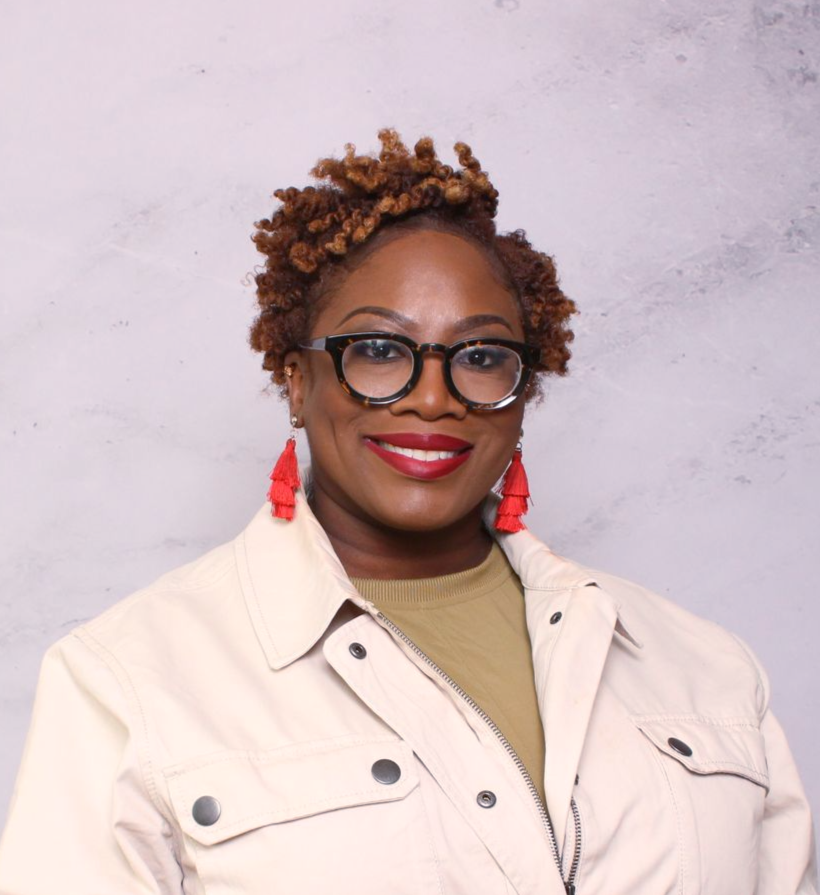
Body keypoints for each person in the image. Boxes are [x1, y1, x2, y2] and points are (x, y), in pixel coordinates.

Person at [0, 129, 815, 895]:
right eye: (380, 350)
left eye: (481, 356)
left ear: (523, 393)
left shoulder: (703, 666)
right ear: (296, 381)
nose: (432, 398)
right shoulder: (128, 679)